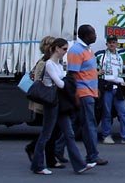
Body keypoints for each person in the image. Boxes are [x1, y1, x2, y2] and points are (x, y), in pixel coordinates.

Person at [30, 38, 94, 175]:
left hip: (59, 102)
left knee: (69, 133)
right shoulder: (49, 64)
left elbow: (63, 81)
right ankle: (38, 165)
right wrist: (67, 81)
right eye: (64, 49)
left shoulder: (58, 64)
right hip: (52, 102)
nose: (65, 52)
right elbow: (60, 84)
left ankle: (79, 165)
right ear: (57, 49)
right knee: (46, 134)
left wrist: (66, 81)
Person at [67, 24, 107, 167]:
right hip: (83, 93)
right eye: (93, 33)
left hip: (90, 91)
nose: (95, 36)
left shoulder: (87, 49)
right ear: (85, 36)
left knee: (74, 124)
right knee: (89, 125)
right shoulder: (77, 51)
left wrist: (96, 89)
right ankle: (92, 156)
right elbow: (73, 75)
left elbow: (89, 72)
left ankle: (57, 151)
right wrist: (76, 95)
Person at [24, 35, 66, 168]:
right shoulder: (44, 63)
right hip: (46, 100)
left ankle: (49, 156)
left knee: (52, 131)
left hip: (52, 99)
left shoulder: (54, 62)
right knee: (49, 132)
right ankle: (44, 156)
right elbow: (39, 83)